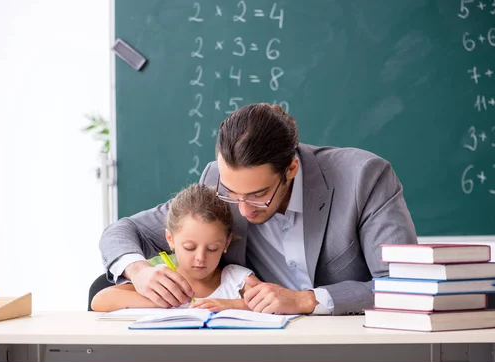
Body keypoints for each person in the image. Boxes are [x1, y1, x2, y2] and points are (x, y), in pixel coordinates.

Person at [99, 103, 417, 316]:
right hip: (256, 354)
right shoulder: (214, 183)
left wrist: (308, 300)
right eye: (231, 192)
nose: (242, 210)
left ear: (291, 168)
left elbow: (406, 286)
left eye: (257, 195)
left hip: (349, 349)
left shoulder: (364, 177)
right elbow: (124, 231)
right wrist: (138, 271)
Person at [92, 183, 256, 313]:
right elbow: (100, 301)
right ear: (170, 239)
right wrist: (162, 301)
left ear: (226, 243)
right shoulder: (161, 279)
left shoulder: (236, 279)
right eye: (189, 247)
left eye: (212, 248)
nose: (200, 257)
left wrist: (232, 305)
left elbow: (270, 304)